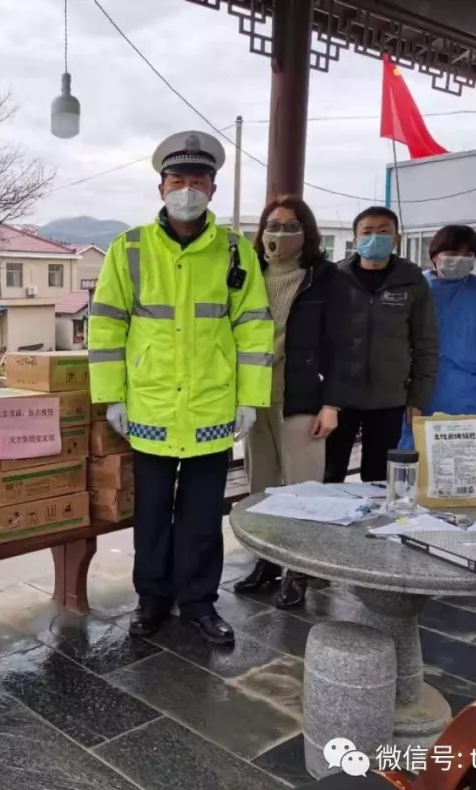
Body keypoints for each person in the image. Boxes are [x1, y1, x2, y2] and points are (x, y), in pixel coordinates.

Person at [88, 130, 274, 645]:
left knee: (201, 515)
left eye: (198, 181)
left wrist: (249, 399)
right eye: (177, 181)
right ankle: (151, 599)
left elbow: (254, 327)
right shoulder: (129, 248)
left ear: (213, 189)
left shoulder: (235, 251)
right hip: (150, 405)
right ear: (161, 188)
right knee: (150, 513)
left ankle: (198, 603)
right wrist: (112, 396)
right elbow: (105, 326)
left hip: (212, 405)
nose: (187, 190)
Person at [232, 195, 346, 609]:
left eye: (290, 226)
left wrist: (332, 403)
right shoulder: (248, 273)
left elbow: (342, 343)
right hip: (254, 396)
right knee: (261, 487)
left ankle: (298, 570)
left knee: (303, 491)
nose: (279, 233)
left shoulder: (324, 277)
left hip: (301, 397)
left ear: (307, 232)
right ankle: (266, 561)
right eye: (272, 225)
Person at [396, 225, 476, 500]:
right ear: (434, 255)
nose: (460, 259)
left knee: (469, 459)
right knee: (416, 455)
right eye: (452, 252)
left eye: (468, 254)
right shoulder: (417, 289)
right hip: (421, 389)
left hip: (470, 392)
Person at [324, 206, 439, 483]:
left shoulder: (412, 281)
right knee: (329, 474)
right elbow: (321, 338)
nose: (374, 237)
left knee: (378, 478)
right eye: (367, 232)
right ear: (355, 239)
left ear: (396, 239)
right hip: (340, 397)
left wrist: (417, 398)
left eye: (383, 231)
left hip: (389, 398)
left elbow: (426, 342)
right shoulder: (335, 278)